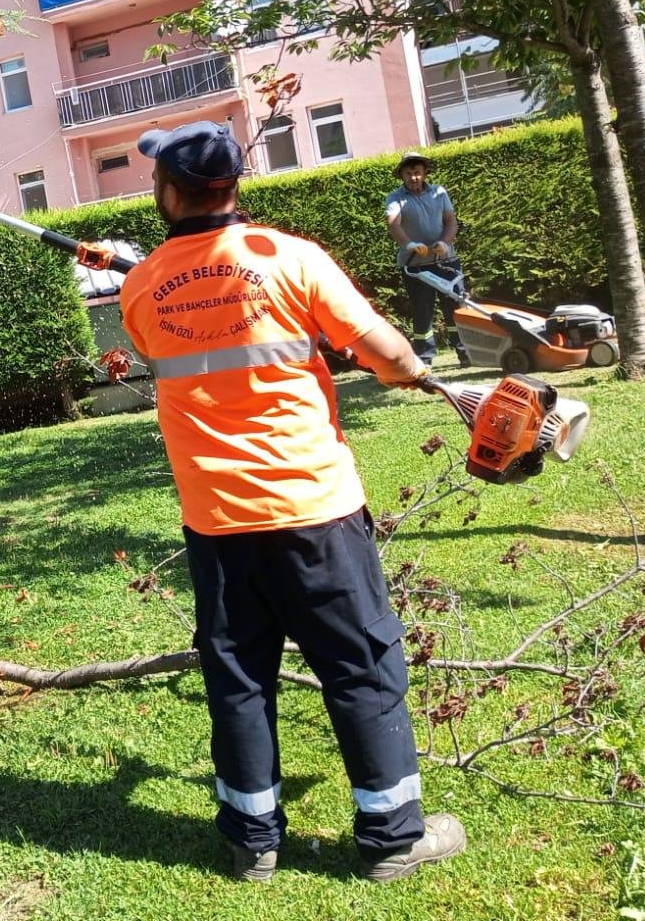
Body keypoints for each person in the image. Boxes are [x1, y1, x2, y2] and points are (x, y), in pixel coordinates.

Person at [114, 121, 465, 883]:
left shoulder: (139, 287)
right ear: (233, 185)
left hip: (217, 520)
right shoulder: (294, 259)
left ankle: (250, 842)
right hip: (315, 508)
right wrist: (414, 372)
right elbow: (389, 356)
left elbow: (160, 332)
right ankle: (391, 837)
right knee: (361, 667)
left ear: (169, 193)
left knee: (239, 678)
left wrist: (144, 271)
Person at [385, 152, 470, 368]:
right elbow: (393, 224)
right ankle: (424, 359)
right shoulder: (395, 198)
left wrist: (445, 242)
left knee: (456, 309)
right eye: (408, 173)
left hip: (446, 261)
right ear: (402, 176)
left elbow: (451, 221)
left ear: (424, 173)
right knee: (422, 311)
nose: (413, 177)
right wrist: (409, 245)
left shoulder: (439, 192)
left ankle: (466, 353)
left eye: (417, 172)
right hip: (415, 265)